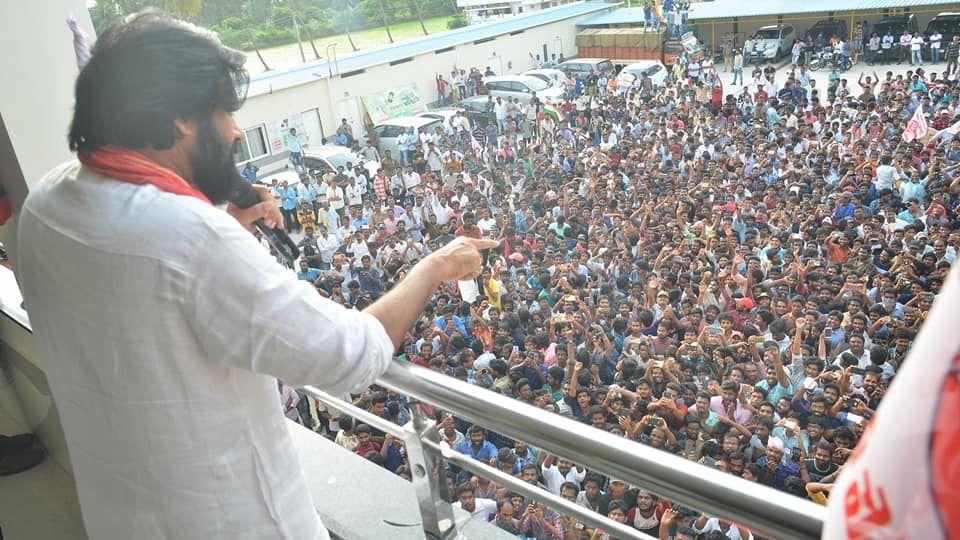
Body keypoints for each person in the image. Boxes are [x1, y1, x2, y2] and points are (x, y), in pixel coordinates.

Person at [18, 12, 495, 539]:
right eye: (223, 111)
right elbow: (351, 354)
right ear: (179, 117)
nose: (236, 130)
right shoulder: (190, 238)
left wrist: (220, 220)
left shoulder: (44, 203)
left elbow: (148, 293)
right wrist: (434, 267)